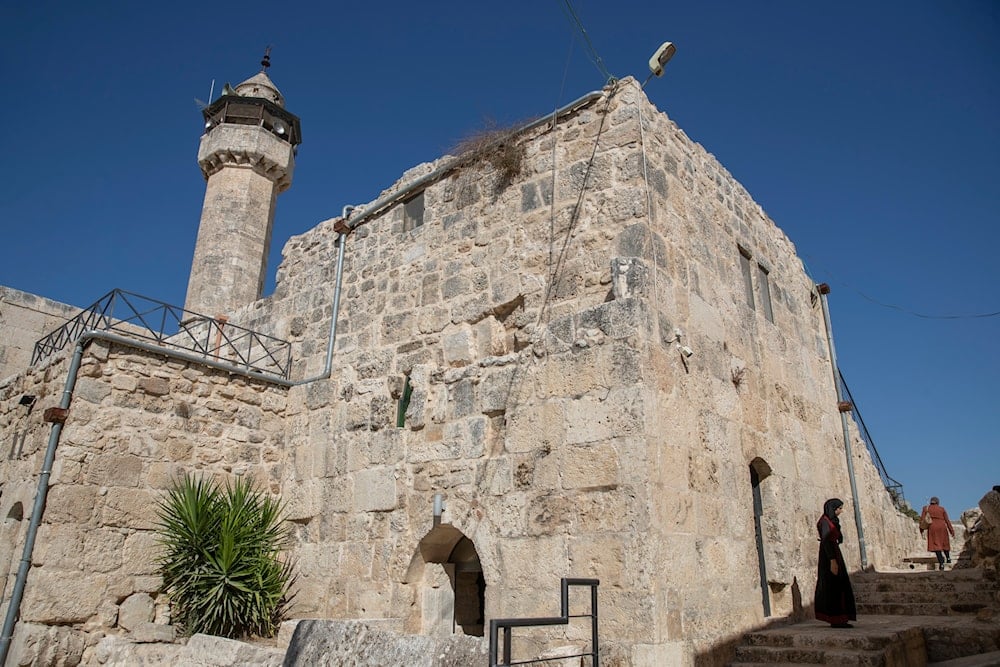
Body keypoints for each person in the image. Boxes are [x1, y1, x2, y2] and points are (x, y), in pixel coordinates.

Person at [814, 498, 857, 628]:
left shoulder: (831, 521)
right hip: (829, 556)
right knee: (834, 586)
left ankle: (842, 617)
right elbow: (826, 540)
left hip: (834, 552)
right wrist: (832, 561)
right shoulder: (825, 522)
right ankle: (836, 618)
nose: (841, 511)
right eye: (839, 509)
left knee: (839, 585)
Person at [920, 496, 956, 571]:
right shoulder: (942, 509)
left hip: (932, 527)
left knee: (936, 545)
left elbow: (922, 520)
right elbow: (947, 520)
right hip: (942, 527)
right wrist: (951, 531)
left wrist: (921, 530)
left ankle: (941, 563)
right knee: (944, 543)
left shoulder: (926, 508)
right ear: (938, 502)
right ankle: (948, 558)